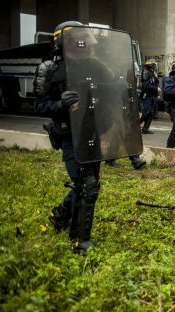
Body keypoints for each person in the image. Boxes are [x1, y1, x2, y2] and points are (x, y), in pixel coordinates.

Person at [34, 21, 101, 254]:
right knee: (87, 184)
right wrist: (61, 104)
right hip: (68, 135)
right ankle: (79, 241)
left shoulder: (92, 65)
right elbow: (39, 105)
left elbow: (114, 85)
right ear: (66, 41)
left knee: (89, 183)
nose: (85, 42)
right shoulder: (48, 69)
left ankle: (60, 214)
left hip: (91, 131)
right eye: (79, 37)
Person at [139, 60, 160, 134]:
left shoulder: (152, 73)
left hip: (152, 95)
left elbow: (155, 83)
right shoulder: (146, 72)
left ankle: (145, 129)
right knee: (147, 112)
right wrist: (156, 88)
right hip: (147, 95)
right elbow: (145, 85)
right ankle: (136, 125)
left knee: (151, 113)